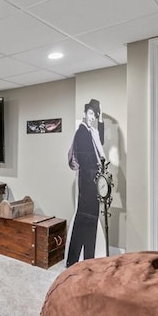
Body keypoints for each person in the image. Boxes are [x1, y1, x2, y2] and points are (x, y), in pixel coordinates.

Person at [66, 98, 105, 266]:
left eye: (95, 115)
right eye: (90, 113)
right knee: (84, 218)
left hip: (93, 180)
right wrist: (95, 175)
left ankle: (88, 258)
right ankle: (73, 260)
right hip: (87, 180)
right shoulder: (82, 131)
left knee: (91, 219)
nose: (92, 117)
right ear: (84, 114)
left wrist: (101, 119)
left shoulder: (92, 132)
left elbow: (100, 141)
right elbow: (85, 158)